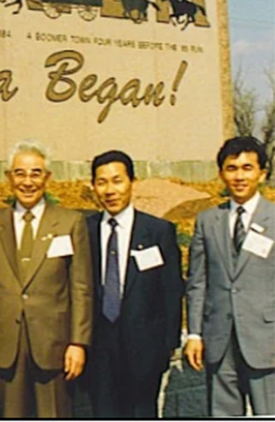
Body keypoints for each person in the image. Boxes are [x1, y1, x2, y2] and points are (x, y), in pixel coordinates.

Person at [0, 139, 92, 417]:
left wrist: (78, 343)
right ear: (9, 177)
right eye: (20, 173)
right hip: (7, 343)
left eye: (35, 173)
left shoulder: (69, 222)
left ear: (47, 177)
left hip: (54, 345)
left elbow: (81, 288)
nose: (28, 182)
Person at [84, 150, 183, 418]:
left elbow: (172, 292)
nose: (109, 190)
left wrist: (168, 347)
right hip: (98, 352)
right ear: (93, 186)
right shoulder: (84, 230)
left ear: (132, 182)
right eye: (101, 182)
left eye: (117, 180)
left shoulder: (158, 231)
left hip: (145, 351)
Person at [184, 136, 275, 416]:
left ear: (262, 174)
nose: (239, 176)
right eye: (231, 168)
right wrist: (195, 333)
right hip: (219, 341)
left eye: (247, 168)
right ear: (221, 173)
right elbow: (197, 282)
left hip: (267, 340)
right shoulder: (208, 220)